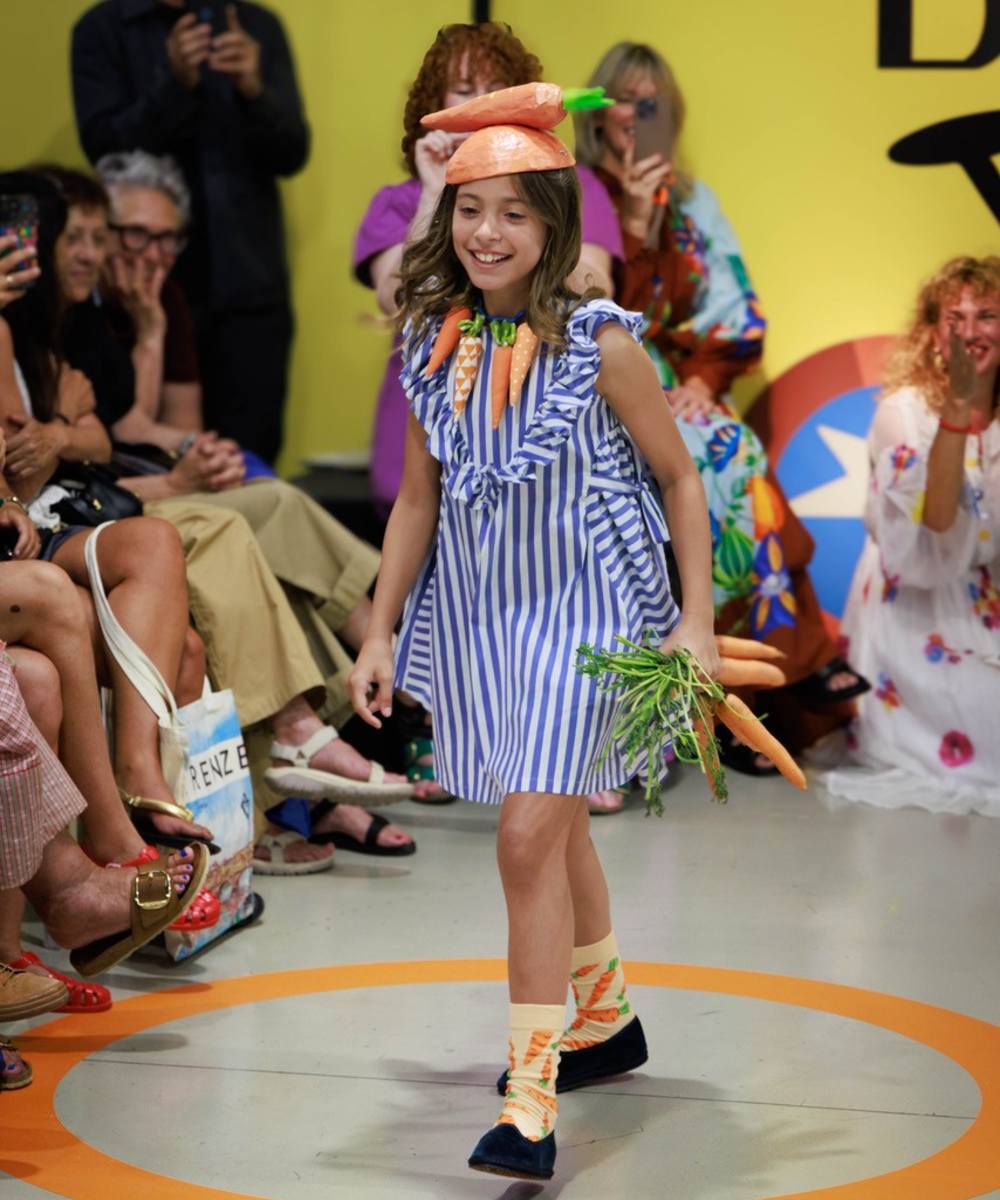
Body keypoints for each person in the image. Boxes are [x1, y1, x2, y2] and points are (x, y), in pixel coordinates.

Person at [349, 83, 718, 1181]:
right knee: (560, 835)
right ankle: (607, 1022)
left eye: (515, 212)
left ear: (556, 227)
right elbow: (415, 501)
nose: (487, 233)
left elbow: (681, 479)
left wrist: (694, 623)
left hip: (595, 617)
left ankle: (529, 1101)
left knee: (523, 839)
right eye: (469, 208)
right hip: (487, 614)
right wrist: (379, 634)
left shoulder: (600, 344)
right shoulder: (429, 340)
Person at [574, 42, 869, 786]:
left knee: (732, 451)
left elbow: (733, 312)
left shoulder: (695, 200)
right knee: (713, 457)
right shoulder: (577, 191)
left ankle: (765, 680)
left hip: (683, 383)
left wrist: (705, 379)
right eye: (624, 101)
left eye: (654, 105)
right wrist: (635, 223)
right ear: (597, 109)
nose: (637, 118)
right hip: (607, 376)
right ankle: (788, 670)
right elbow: (595, 313)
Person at [71, 0, 309, 462]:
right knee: (143, 455)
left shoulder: (255, 25)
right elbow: (103, 150)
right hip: (146, 286)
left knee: (249, 457)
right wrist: (173, 84)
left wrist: (254, 91)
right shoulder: (103, 28)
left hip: (249, 288)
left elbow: (293, 151)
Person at [820, 257, 1000, 816]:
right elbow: (938, 526)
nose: (971, 331)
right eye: (955, 317)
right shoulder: (904, 414)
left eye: (988, 314)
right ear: (931, 333)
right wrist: (957, 406)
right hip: (919, 609)